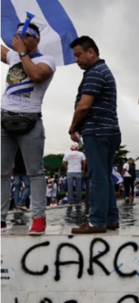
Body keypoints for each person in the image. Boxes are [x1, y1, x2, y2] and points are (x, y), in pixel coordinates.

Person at [1, 23, 56, 234]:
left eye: (24, 35)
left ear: (36, 40)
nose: (18, 38)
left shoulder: (46, 60)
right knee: (2, 173)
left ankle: (39, 218)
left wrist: (22, 52)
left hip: (30, 121)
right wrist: (18, 52)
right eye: (17, 35)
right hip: (4, 120)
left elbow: (36, 75)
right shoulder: (14, 56)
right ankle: (1, 218)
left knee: (35, 171)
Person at [68, 36, 122, 234]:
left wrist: (72, 127)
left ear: (91, 52)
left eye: (79, 54)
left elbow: (84, 106)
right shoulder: (103, 71)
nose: (76, 60)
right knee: (105, 176)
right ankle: (111, 218)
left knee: (97, 177)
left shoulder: (94, 73)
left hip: (97, 131)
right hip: (110, 130)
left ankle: (96, 221)